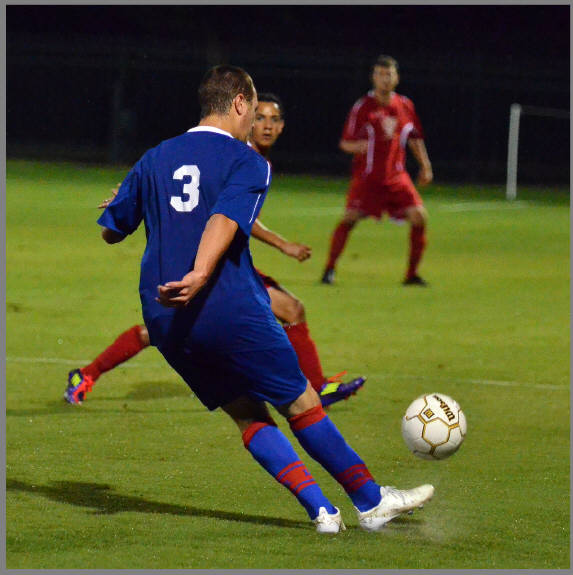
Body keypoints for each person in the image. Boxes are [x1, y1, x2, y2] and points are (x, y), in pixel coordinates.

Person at [90, 64, 433, 532]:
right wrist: (201, 271)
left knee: (246, 413)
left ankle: (321, 510)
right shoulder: (246, 160)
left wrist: (126, 199)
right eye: (253, 108)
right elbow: (225, 219)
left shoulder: (153, 158)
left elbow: (112, 231)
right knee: (302, 403)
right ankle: (371, 502)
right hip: (225, 306)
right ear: (238, 103)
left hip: (165, 317)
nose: (255, 119)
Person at [65, 93, 365, 407]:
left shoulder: (252, 158)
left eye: (274, 119)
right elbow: (227, 215)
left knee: (290, 310)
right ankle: (86, 374)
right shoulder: (242, 157)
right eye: (260, 117)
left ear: (282, 126)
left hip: (223, 266)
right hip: (207, 265)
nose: (267, 125)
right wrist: (282, 244)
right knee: (161, 332)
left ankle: (316, 387)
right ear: (246, 117)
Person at [321, 55, 433, 286]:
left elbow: (414, 138)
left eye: (389, 74)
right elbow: (345, 143)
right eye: (380, 74)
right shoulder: (363, 107)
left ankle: (411, 275)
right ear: (373, 77)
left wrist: (425, 166)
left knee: (419, 217)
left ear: (397, 78)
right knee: (350, 219)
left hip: (397, 178)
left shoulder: (405, 105)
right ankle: (329, 269)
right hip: (368, 178)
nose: (385, 79)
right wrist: (358, 147)